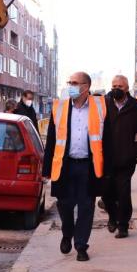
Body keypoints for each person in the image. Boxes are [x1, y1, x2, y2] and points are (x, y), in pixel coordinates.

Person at [42, 72, 112, 262]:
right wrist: (46, 170)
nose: (70, 86)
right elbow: (51, 141)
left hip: (89, 166)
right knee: (64, 205)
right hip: (65, 166)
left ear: (86, 87)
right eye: (69, 82)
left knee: (86, 207)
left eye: (75, 83)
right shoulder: (60, 107)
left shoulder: (100, 106)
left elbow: (108, 139)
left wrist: (108, 170)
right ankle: (67, 232)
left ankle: (81, 246)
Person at [102, 75, 137, 238]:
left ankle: (123, 225)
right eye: (114, 85)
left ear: (126, 88)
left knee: (123, 191)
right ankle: (112, 216)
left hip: (127, 158)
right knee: (107, 192)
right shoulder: (105, 105)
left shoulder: (136, 106)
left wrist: (136, 150)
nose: (116, 89)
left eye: (120, 86)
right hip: (107, 157)